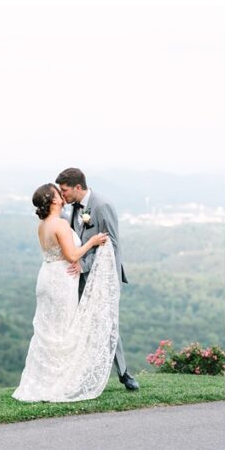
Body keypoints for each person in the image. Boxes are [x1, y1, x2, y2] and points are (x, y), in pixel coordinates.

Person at [12, 183, 119, 402]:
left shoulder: (42, 225)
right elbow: (71, 256)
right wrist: (92, 241)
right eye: (58, 193)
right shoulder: (59, 224)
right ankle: (61, 382)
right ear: (53, 200)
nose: (62, 195)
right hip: (62, 279)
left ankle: (44, 381)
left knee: (47, 329)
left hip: (46, 277)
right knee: (63, 329)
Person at [55, 167, 139, 391]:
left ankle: (124, 373)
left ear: (78, 187)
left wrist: (83, 265)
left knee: (107, 323)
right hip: (78, 278)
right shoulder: (71, 208)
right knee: (82, 324)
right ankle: (83, 374)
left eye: (65, 190)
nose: (62, 195)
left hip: (102, 276)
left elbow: (111, 244)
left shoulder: (102, 206)